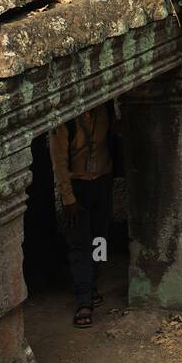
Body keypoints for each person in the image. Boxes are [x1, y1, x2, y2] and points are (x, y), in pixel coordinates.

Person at [48, 106, 112, 328]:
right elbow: (59, 163)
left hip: (102, 180)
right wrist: (68, 198)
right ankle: (84, 300)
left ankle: (93, 283)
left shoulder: (105, 110)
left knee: (101, 238)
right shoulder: (64, 120)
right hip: (78, 187)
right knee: (80, 244)